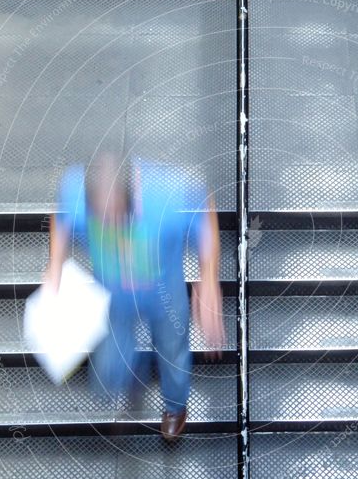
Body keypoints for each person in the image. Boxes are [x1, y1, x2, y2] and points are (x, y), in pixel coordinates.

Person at [43, 150, 225, 440]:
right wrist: (55, 264)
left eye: (114, 216)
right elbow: (61, 217)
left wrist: (210, 278)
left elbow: (205, 207)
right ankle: (123, 380)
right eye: (100, 219)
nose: (108, 225)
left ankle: (175, 407)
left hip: (164, 296)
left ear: (132, 196)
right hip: (113, 295)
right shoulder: (76, 190)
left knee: (173, 350)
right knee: (111, 355)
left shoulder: (169, 194)